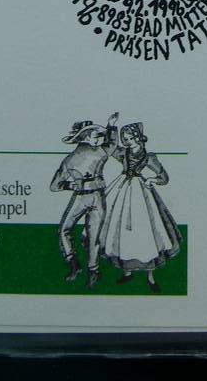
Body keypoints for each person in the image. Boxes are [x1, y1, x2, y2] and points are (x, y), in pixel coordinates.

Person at [100, 122, 181, 293]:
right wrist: (111, 128)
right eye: (124, 138)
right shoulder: (123, 152)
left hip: (141, 192)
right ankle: (127, 272)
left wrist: (153, 180)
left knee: (147, 232)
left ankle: (150, 277)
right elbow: (110, 148)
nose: (126, 141)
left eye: (129, 138)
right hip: (122, 189)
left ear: (137, 137)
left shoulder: (149, 157)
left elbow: (164, 177)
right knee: (121, 230)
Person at [50, 112, 119, 288]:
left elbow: (55, 185)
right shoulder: (82, 157)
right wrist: (111, 126)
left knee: (79, 234)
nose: (99, 138)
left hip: (91, 197)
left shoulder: (72, 159)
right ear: (85, 136)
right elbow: (54, 186)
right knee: (82, 234)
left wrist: (68, 185)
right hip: (88, 197)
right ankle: (84, 268)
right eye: (96, 135)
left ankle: (84, 268)